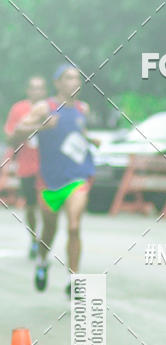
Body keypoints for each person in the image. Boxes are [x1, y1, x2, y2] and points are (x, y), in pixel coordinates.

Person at [17, 64, 96, 295]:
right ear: (58, 83)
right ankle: (42, 260)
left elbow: (77, 133)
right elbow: (20, 129)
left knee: (74, 226)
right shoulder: (46, 107)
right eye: (69, 78)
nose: (75, 83)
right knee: (49, 229)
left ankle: (74, 279)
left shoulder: (83, 108)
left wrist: (90, 140)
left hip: (78, 177)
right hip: (49, 181)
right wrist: (40, 126)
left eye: (77, 79)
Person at [4, 75, 47, 258]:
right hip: (27, 165)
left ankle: (45, 240)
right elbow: (10, 136)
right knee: (30, 206)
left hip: (48, 166)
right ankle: (33, 239)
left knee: (47, 206)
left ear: (45, 91)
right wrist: (31, 128)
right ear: (28, 90)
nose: (37, 91)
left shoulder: (51, 108)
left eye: (40, 88)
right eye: (33, 88)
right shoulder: (19, 109)